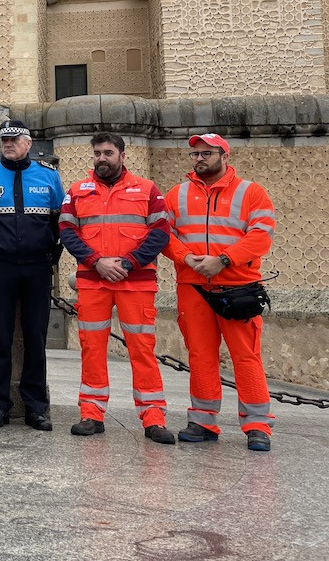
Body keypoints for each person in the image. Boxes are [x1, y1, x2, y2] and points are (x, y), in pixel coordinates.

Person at [163, 134, 277, 452]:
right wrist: (186, 258)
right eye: (195, 154)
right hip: (192, 286)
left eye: (206, 153)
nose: (199, 159)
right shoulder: (177, 195)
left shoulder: (250, 192)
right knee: (200, 356)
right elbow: (165, 235)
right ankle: (202, 421)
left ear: (224, 156)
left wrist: (223, 261)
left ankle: (257, 424)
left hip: (239, 285)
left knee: (246, 356)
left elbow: (261, 235)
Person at [59, 132, 176, 444]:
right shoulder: (77, 191)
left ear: (122, 156)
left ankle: (153, 417)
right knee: (92, 348)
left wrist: (128, 264)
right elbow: (67, 231)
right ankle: (92, 413)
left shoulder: (147, 189)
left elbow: (161, 232)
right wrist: (96, 261)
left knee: (142, 350)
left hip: (135, 282)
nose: (101, 158)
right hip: (93, 281)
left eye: (108, 152)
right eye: (97, 152)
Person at [0, 119, 65, 431]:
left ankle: (35, 407)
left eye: (14, 139)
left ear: (28, 143)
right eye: (4, 140)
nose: (8, 144)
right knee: (0, 339)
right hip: (0, 268)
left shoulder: (48, 176)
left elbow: (59, 222)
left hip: (37, 267)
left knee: (35, 338)